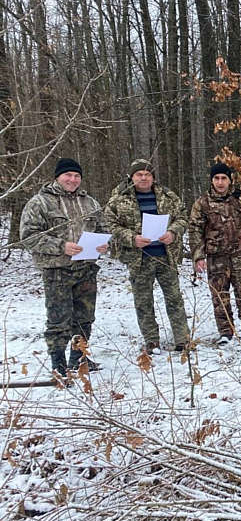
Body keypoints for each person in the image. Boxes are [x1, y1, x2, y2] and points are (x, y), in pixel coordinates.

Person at [20, 158, 108, 377]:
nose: (72, 179)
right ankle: (58, 363)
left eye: (77, 176)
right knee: (59, 320)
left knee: (84, 318)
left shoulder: (90, 203)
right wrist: (61, 246)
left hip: (86, 269)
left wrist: (104, 244)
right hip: (57, 270)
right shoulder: (40, 202)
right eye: (68, 175)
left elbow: (103, 227)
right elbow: (28, 236)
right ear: (57, 177)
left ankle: (79, 358)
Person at [105, 159, 190, 354]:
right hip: (138, 259)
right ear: (131, 177)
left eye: (147, 174)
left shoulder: (168, 196)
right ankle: (151, 341)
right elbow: (111, 224)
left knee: (175, 299)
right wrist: (131, 238)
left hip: (166, 257)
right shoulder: (119, 199)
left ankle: (182, 339)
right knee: (144, 302)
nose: (143, 178)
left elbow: (183, 216)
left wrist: (174, 233)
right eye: (139, 175)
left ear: (153, 177)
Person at [188, 162, 241, 344]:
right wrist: (198, 256)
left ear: (230, 180)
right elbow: (195, 230)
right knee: (220, 297)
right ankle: (226, 332)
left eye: (224, 178)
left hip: (238, 256)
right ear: (212, 180)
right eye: (216, 178)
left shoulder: (239, 200)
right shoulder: (202, 203)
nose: (220, 182)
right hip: (216, 258)